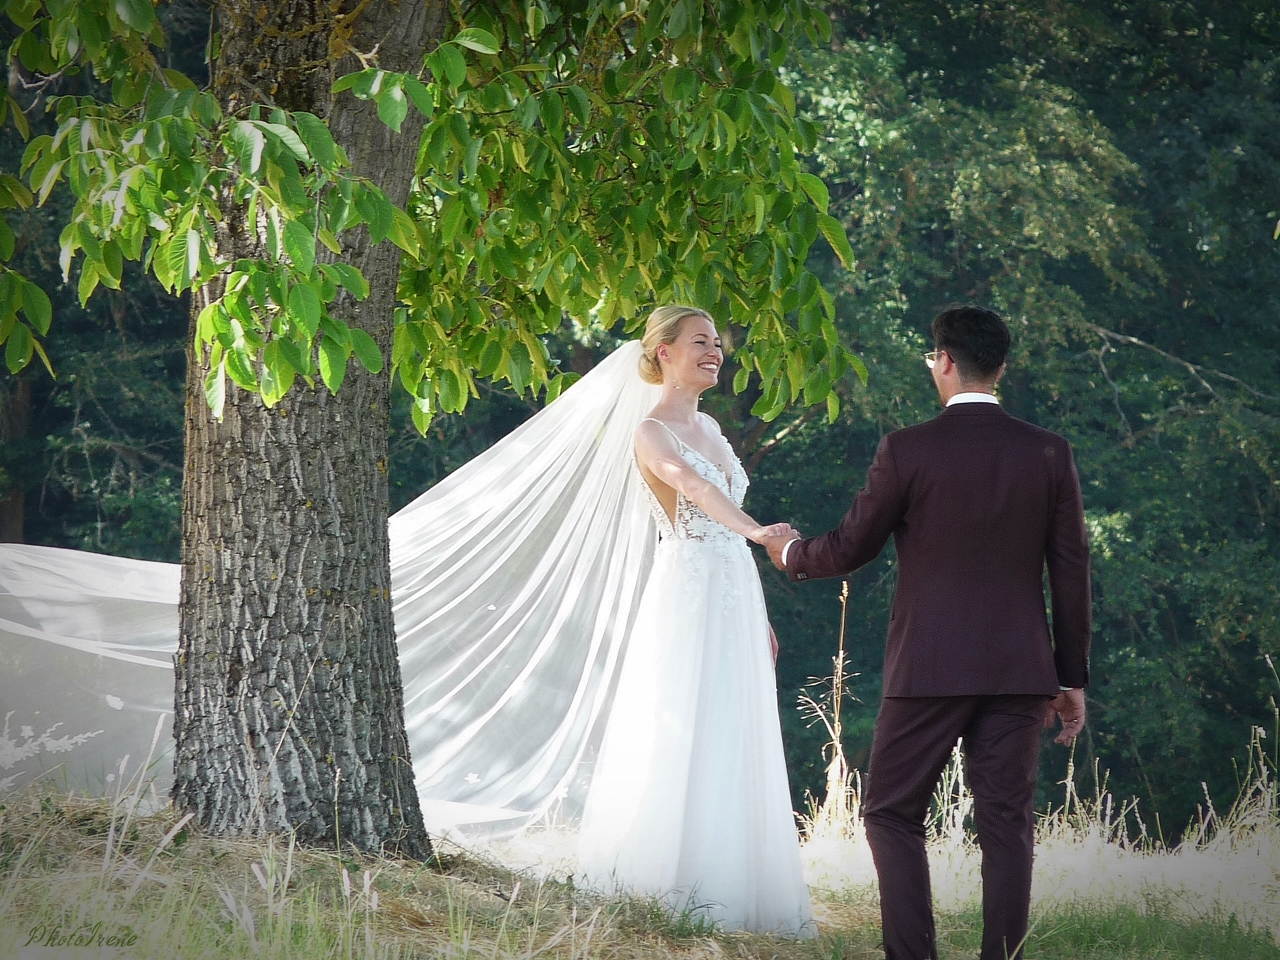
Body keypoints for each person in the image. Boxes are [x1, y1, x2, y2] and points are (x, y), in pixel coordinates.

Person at [762, 305, 1091, 960]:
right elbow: (1071, 570)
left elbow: (853, 546)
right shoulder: (1049, 451)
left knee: (890, 813)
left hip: (928, 667)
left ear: (943, 361)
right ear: (1000, 366)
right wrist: (1070, 676)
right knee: (1006, 824)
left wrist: (792, 553)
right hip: (1020, 671)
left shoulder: (908, 449)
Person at [576, 306, 815, 937]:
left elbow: (723, 516)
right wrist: (759, 530)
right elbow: (695, 491)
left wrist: (756, 606)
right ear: (664, 354)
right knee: (684, 718)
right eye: (700, 343)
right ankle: (670, 880)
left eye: (717, 342)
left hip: (732, 589)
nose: (715, 352)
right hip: (687, 592)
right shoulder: (653, 432)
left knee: (734, 721)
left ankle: (736, 883)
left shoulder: (709, 423)